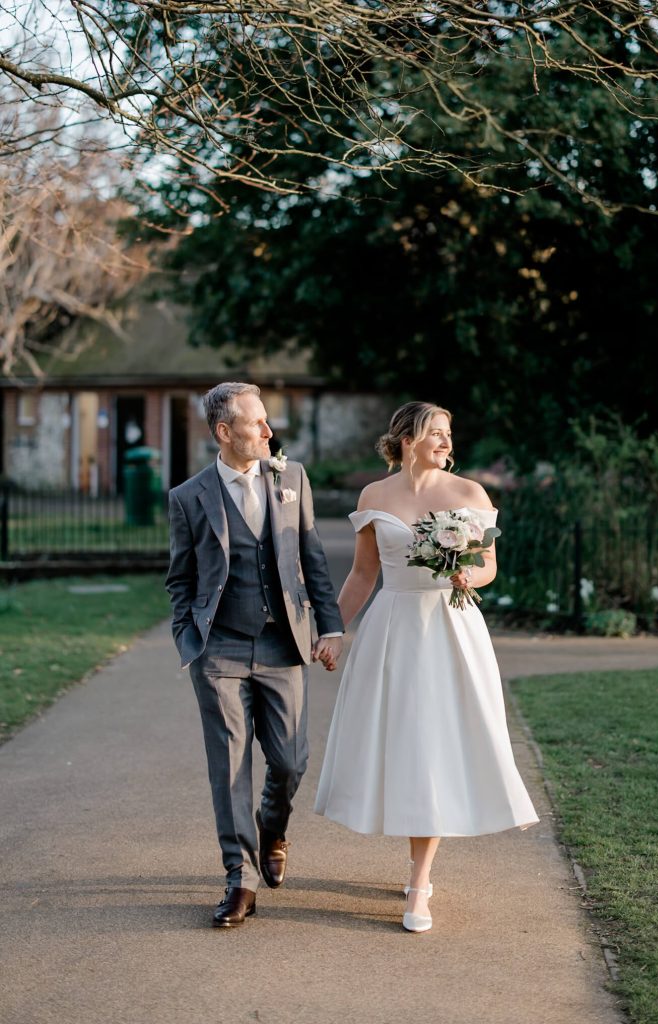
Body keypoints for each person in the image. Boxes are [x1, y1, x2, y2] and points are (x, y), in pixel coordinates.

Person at [314, 401, 538, 933]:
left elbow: (488, 565)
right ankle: (417, 864)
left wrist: (468, 577)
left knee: (435, 746)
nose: (445, 442)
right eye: (434, 432)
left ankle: (420, 883)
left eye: (448, 433)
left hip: (450, 630)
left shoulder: (468, 495)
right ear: (406, 437)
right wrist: (335, 630)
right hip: (392, 630)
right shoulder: (375, 496)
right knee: (403, 745)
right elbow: (363, 576)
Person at [166, 382, 343, 928]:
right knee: (229, 766)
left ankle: (274, 824)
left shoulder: (291, 478)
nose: (269, 431)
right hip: (217, 647)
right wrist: (188, 640)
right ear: (224, 432)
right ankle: (239, 878)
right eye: (256, 423)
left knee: (290, 760)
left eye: (267, 421)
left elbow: (312, 559)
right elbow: (181, 580)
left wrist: (330, 627)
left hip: (281, 643)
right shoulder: (188, 497)